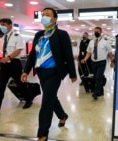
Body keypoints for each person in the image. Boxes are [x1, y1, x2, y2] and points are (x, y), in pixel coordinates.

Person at [20, 7, 77, 141]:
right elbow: (33, 54)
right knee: (50, 97)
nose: (44, 16)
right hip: (41, 72)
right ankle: (62, 115)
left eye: (48, 14)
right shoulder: (38, 35)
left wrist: (73, 73)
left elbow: (68, 54)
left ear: (55, 19)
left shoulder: (61, 34)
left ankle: (42, 133)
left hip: (55, 73)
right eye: (43, 14)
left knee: (46, 102)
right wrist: (25, 71)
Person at [0, 18, 33, 116]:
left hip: (14, 63)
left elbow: (19, 50)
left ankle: (28, 100)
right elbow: (4, 51)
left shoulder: (17, 36)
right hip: (4, 65)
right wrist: (4, 60)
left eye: (4, 24)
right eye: (1, 25)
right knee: (0, 87)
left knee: (20, 84)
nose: (2, 27)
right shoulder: (3, 38)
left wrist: (8, 57)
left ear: (10, 25)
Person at [81, 27, 114, 100]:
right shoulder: (91, 42)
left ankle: (96, 93)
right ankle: (101, 91)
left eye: (97, 31)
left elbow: (110, 53)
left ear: (101, 32)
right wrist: (85, 59)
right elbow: (89, 52)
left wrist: (112, 61)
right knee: (96, 77)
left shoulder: (105, 42)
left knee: (98, 77)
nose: (96, 33)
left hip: (101, 62)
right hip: (93, 62)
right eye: (95, 31)